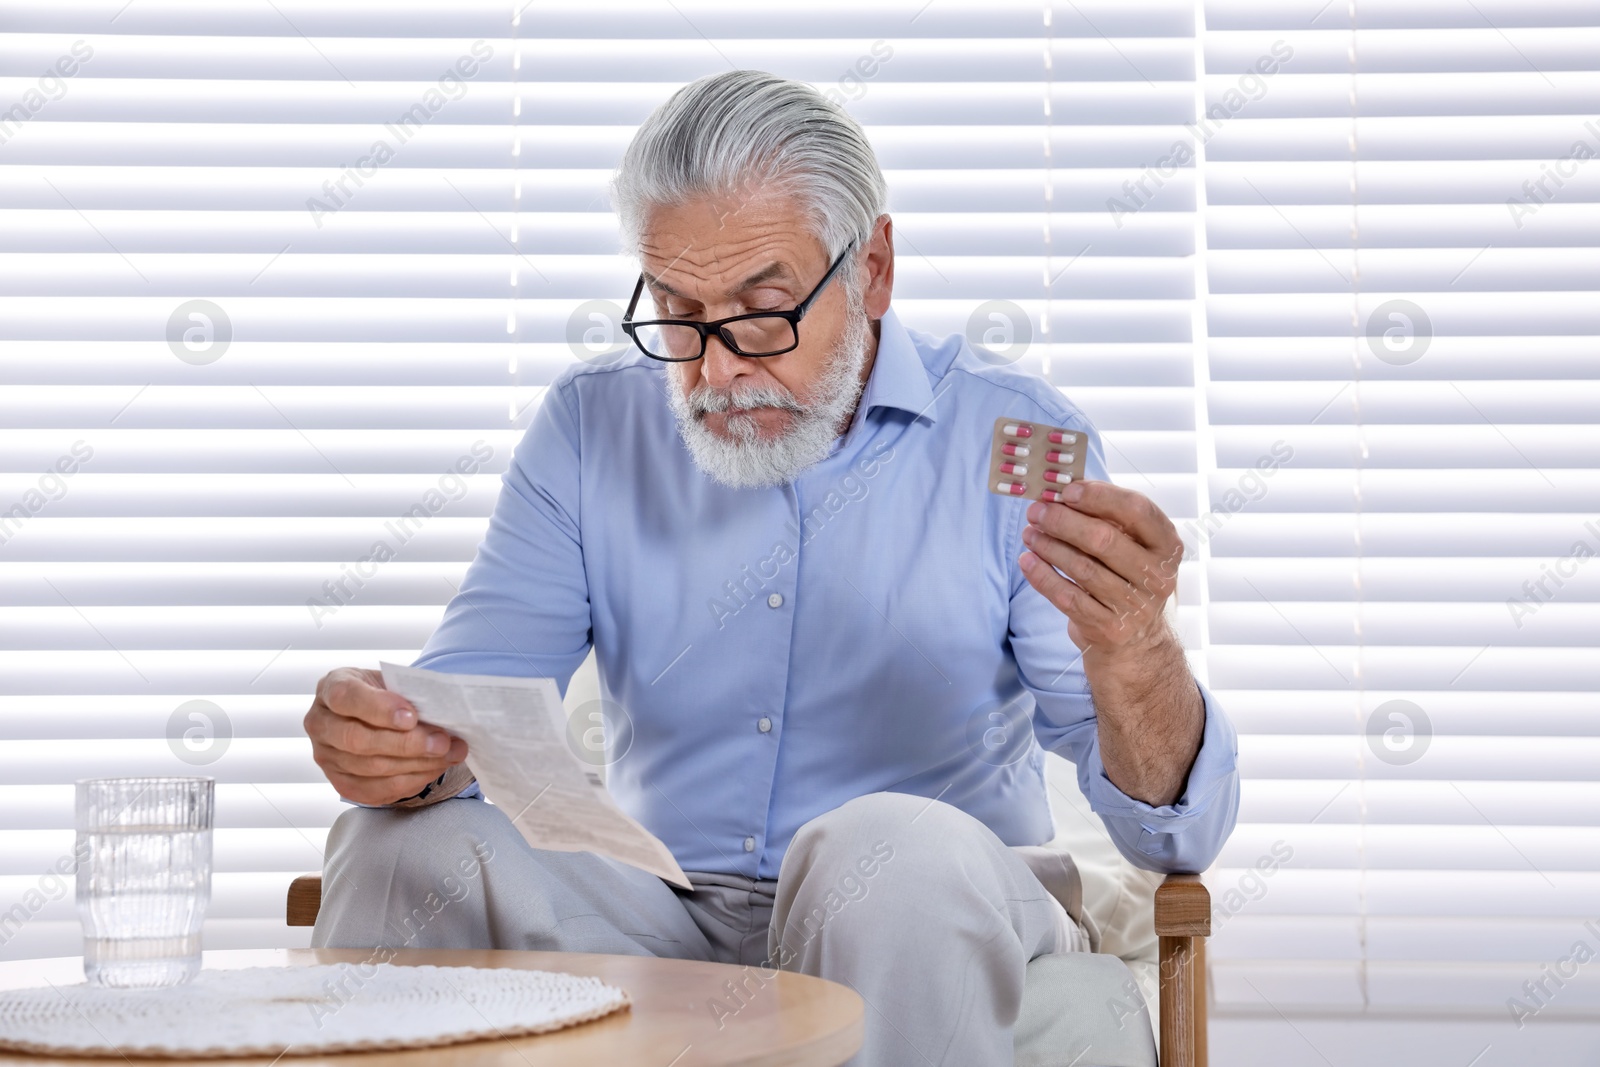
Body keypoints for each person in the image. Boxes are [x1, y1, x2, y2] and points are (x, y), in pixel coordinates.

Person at [303, 69, 1239, 1066]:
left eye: (761, 312)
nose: (716, 371)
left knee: (880, 852)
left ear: (872, 266)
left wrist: (1135, 651)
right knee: (398, 845)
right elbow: (469, 711)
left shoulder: (1013, 437)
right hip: (663, 910)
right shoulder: (590, 425)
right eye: (677, 311)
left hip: (933, 899)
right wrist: (399, 748)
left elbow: (1173, 840)